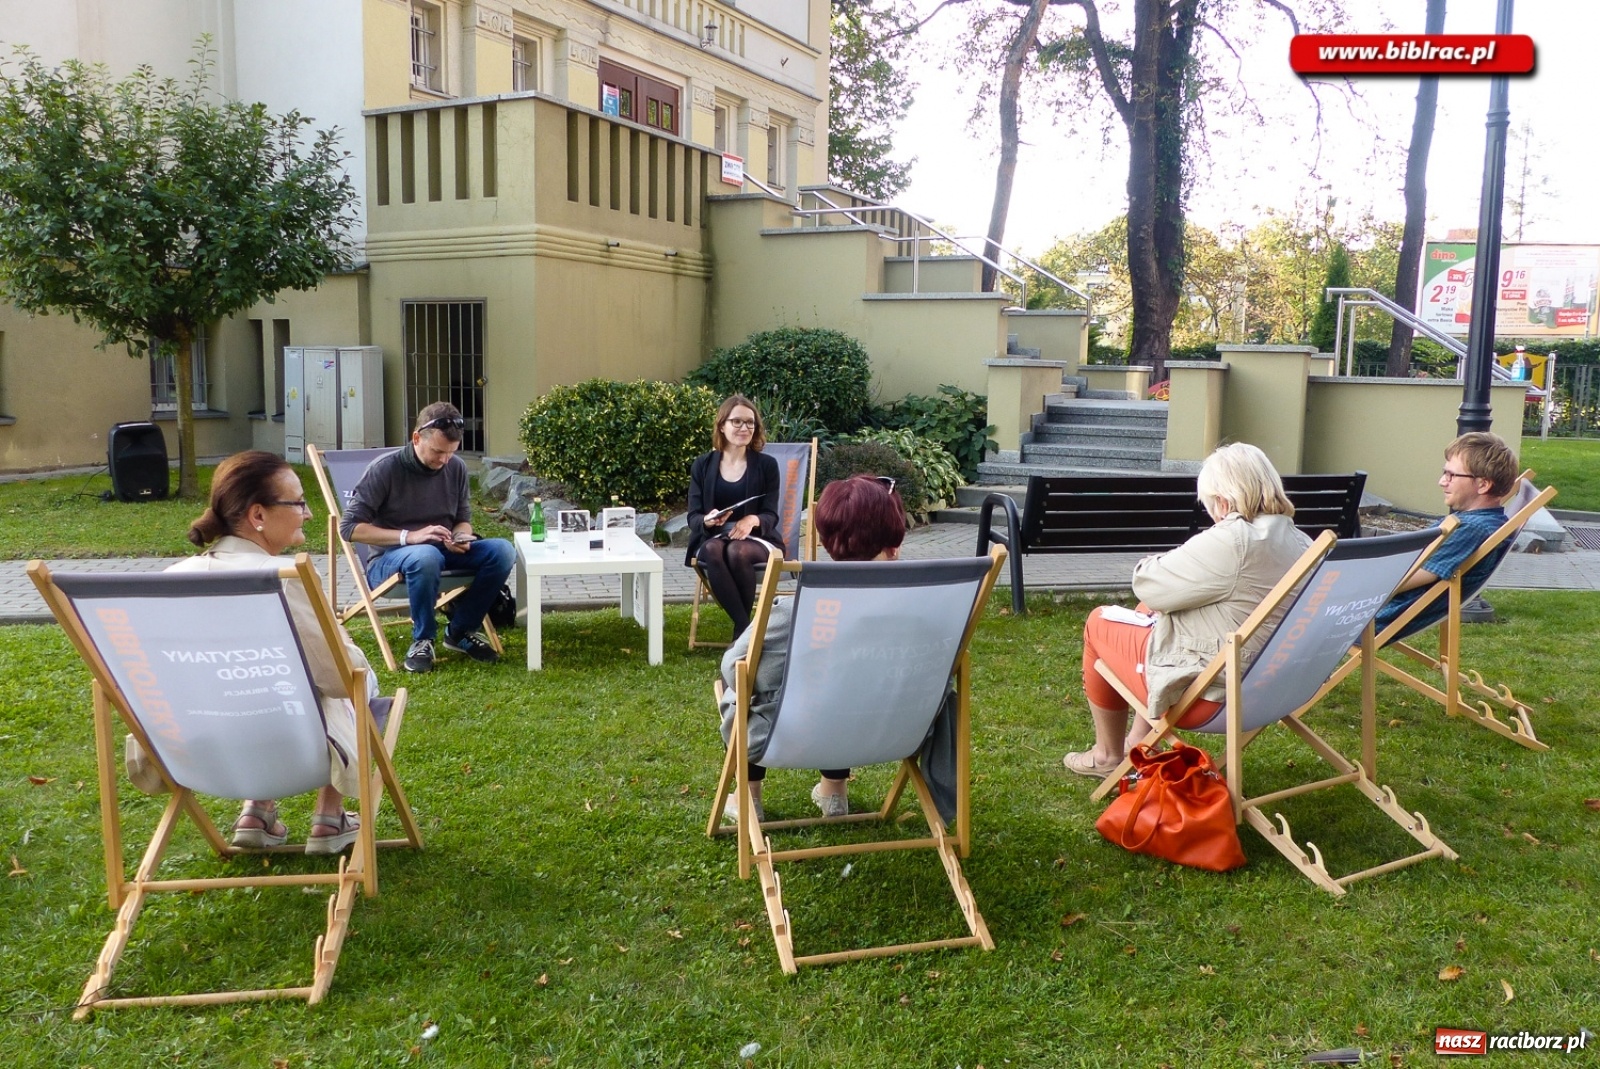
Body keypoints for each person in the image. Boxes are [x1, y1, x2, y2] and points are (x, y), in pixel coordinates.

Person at [161, 451, 371, 853]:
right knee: (355, 679)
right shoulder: (284, 580)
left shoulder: (170, 581)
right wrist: (345, 643)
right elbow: (341, 678)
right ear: (258, 515)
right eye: (298, 502)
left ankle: (256, 812)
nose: (308, 513)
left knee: (246, 685)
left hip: (197, 750)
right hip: (290, 748)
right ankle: (329, 819)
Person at [1063, 443, 1313, 778]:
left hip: (1216, 698)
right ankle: (1138, 743)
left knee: (1099, 622)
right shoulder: (1302, 541)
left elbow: (1148, 582)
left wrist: (1162, 560)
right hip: (1276, 686)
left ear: (1223, 502)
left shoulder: (1234, 538)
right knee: (1149, 610)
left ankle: (1107, 755)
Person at [717, 474, 907, 822]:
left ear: (826, 539)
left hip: (786, 735)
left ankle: (749, 798)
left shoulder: (798, 611)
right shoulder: (916, 607)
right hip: (890, 733)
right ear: (895, 541)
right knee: (844, 687)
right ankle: (834, 793)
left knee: (743, 688)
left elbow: (733, 665)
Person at [340, 402, 516, 673]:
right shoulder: (385, 469)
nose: (444, 460)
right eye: (437, 451)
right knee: (425, 554)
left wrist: (460, 537)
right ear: (416, 438)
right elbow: (349, 528)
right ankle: (423, 639)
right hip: (389, 562)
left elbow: (462, 520)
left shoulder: (455, 468)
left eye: (451, 452)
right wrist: (410, 537)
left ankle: (460, 631)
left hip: (440, 554)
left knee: (503, 551)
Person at [1373, 431, 1518, 642]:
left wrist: (1351, 587)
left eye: (1451, 475)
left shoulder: (1471, 529)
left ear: (1483, 484)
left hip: (1368, 618)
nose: (1442, 481)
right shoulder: (1476, 521)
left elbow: (1411, 577)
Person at [685, 395, 784, 641]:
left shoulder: (767, 465)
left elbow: (771, 514)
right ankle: (745, 628)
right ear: (722, 425)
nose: (744, 428)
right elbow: (693, 516)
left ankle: (741, 632)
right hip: (714, 537)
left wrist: (752, 520)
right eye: (737, 421)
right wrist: (708, 520)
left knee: (737, 551)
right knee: (714, 550)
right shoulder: (702, 465)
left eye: (750, 423)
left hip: (756, 539)